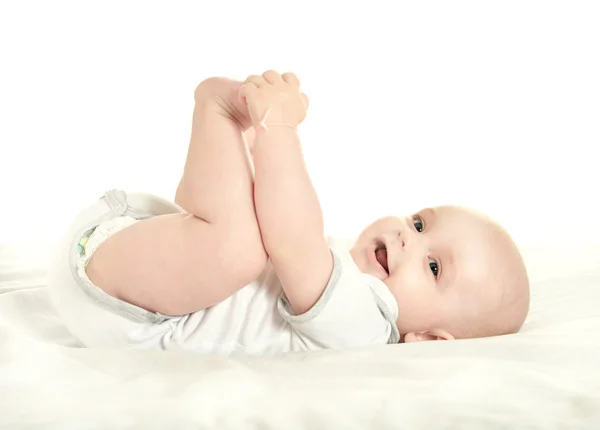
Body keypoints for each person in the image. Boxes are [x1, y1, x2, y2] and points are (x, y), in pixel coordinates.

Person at [48, 71, 530, 355]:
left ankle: (218, 113)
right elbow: (287, 232)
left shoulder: (367, 328)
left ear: (429, 340)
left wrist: (278, 130)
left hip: (123, 305)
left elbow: (292, 239)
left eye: (432, 266)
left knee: (240, 250)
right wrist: (264, 156)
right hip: (132, 271)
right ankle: (223, 121)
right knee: (239, 243)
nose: (409, 237)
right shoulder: (345, 274)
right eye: (420, 223)